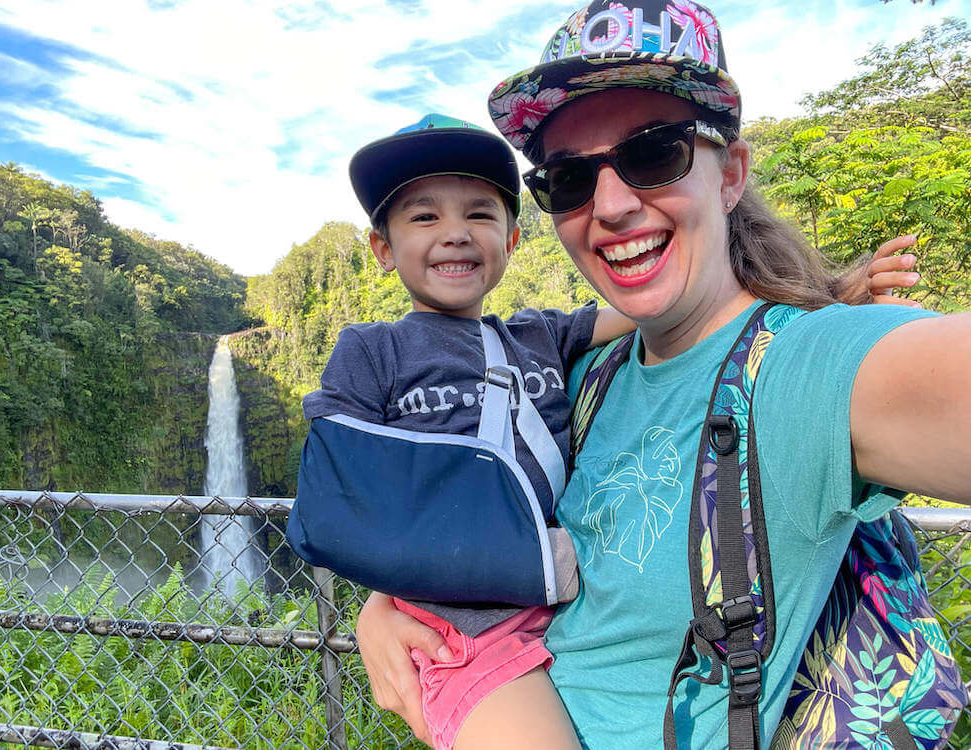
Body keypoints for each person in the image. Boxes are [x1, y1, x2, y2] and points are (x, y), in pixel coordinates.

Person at [353, 1, 971, 748]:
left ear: (732, 173)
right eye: (571, 178)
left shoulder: (803, 369)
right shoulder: (582, 380)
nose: (610, 206)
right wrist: (386, 601)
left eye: (654, 154)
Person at [291, 112, 643, 750]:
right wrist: (382, 601)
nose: (455, 234)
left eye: (480, 214)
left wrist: (822, 290)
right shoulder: (373, 351)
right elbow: (342, 493)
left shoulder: (540, 335)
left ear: (511, 241)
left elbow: (663, 304)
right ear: (383, 248)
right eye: (424, 217)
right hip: (458, 631)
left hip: (573, 604)